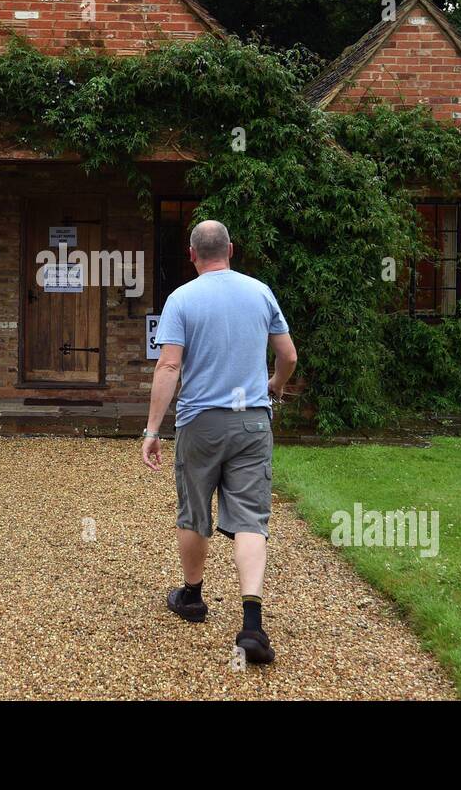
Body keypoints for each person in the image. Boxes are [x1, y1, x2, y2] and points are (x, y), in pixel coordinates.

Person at [142, 220, 297, 664]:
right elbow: (288, 355)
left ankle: (192, 598)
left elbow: (168, 368)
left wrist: (153, 431)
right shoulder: (260, 292)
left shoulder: (181, 299)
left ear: (192, 255)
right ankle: (252, 625)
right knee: (250, 519)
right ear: (230, 248)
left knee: (194, 510)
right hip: (252, 423)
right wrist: (274, 386)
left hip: (200, 424)